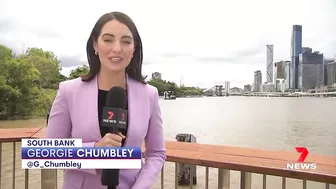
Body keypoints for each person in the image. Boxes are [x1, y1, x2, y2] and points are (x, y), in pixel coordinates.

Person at [46, 11, 166, 189]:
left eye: (126, 41)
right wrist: (95, 150)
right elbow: (49, 152)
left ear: (134, 50)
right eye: (108, 39)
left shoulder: (149, 94)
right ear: (95, 44)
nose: (117, 48)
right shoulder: (68, 91)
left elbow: (156, 154)